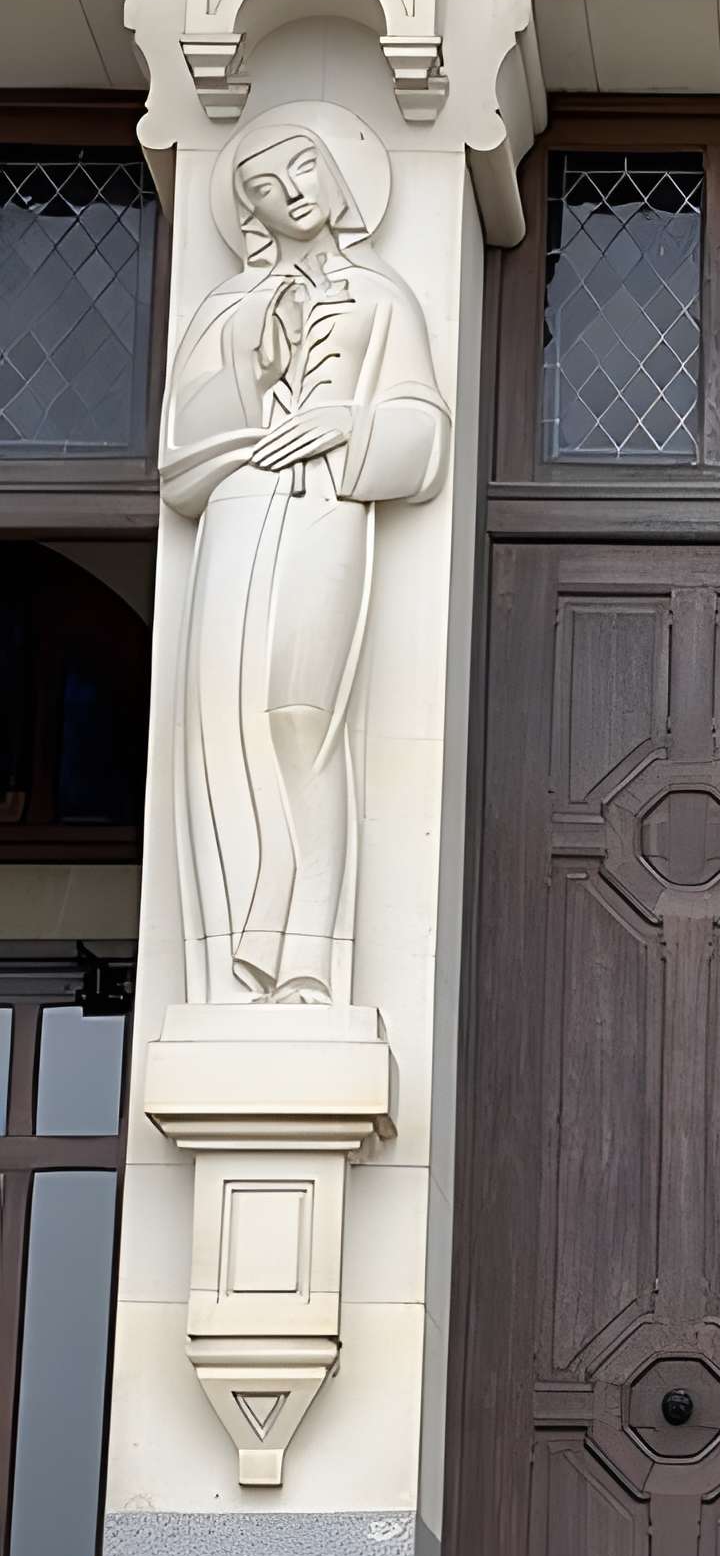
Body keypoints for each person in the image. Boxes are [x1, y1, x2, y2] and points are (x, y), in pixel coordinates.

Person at [161, 118, 449, 1005]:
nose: (291, 191)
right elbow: (179, 454)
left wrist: (350, 424)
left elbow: (426, 432)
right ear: (249, 213)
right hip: (240, 512)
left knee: (301, 718)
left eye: (302, 167)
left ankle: (308, 956)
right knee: (227, 719)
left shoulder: (381, 297)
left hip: (329, 507)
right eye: (262, 186)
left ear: (332, 176)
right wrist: (252, 357)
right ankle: (238, 964)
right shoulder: (225, 305)